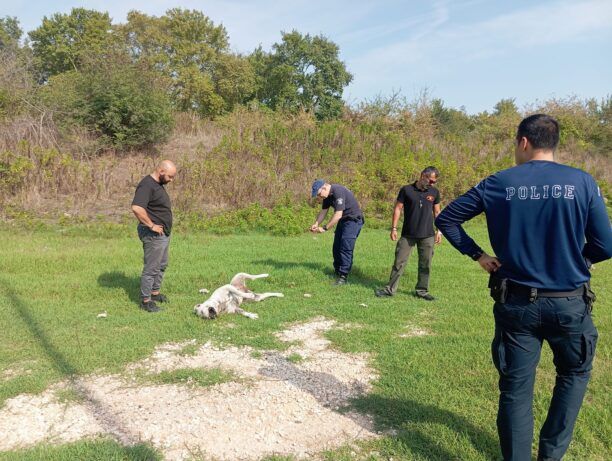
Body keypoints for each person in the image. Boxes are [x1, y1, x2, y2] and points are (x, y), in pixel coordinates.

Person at [435, 114, 612, 461]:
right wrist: (580, 260)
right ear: (553, 143)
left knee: (516, 390)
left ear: (523, 142)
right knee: (573, 376)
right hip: (570, 304)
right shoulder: (582, 183)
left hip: (517, 304)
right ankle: (551, 456)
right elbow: (605, 245)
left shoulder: (499, 183)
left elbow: (447, 218)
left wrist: (478, 255)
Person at [375, 166, 442, 300]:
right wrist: (394, 228)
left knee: (425, 264)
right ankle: (390, 290)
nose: (432, 184)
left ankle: (422, 291)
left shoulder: (434, 192)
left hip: (427, 235)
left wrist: (439, 231)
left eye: (434, 182)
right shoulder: (406, 190)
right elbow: (398, 209)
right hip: (408, 235)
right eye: (431, 180)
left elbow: (437, 212)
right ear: (423, 175)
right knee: (399, 262)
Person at [131, 160, 177, 313]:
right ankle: (146, 301)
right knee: (151, 268)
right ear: (161, 171)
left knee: (162, 265)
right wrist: (151, 225)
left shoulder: (158, 184)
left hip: (162, 234)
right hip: (153, 234)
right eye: (170, 177)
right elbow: (137, 208)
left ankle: (155, 293)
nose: (171, 180)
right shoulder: (147, 185)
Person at [310, 180, 364, 285]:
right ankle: (337, 271)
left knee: (345, 247)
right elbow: (323, 212)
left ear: (324, 187)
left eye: (319, 194)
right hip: (343, 220)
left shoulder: (338, 191)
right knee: (337, 247)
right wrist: (316, 224)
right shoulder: (327, 196)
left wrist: (325, 228)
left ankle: (343, 276)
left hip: (353, 220)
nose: (320, 197)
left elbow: (338, 214)